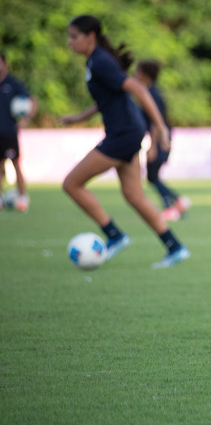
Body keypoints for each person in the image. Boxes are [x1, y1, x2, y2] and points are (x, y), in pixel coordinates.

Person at [61, 15, 190, 268]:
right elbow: (106, 98)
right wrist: (79, 117)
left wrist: (161, 127)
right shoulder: (95, 61)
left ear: (90, 37)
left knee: (72, 184)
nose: (69, 42)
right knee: (134, 196)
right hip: (128, 133)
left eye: (74, 37)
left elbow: (138, 89)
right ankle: (175, 247)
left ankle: (114, 235)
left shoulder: (99, 61)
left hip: (123, 135)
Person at [132, 60, 191, 222]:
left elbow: (156, 123)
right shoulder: (150, 91)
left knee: (152, 176)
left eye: (137, 71)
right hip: (159, 138)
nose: (135, 74)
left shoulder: (151, 94)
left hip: (159, 139)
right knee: (153, 176)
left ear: (144, 74)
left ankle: (171, 206)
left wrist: (152, 146)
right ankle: (177, 201)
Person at [0, 51, 38, 212]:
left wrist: (26, 119)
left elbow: (33, 100)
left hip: (9, 132)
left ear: (5, 64)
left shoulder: (13, 83)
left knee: (15, 164)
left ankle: (22, 198)